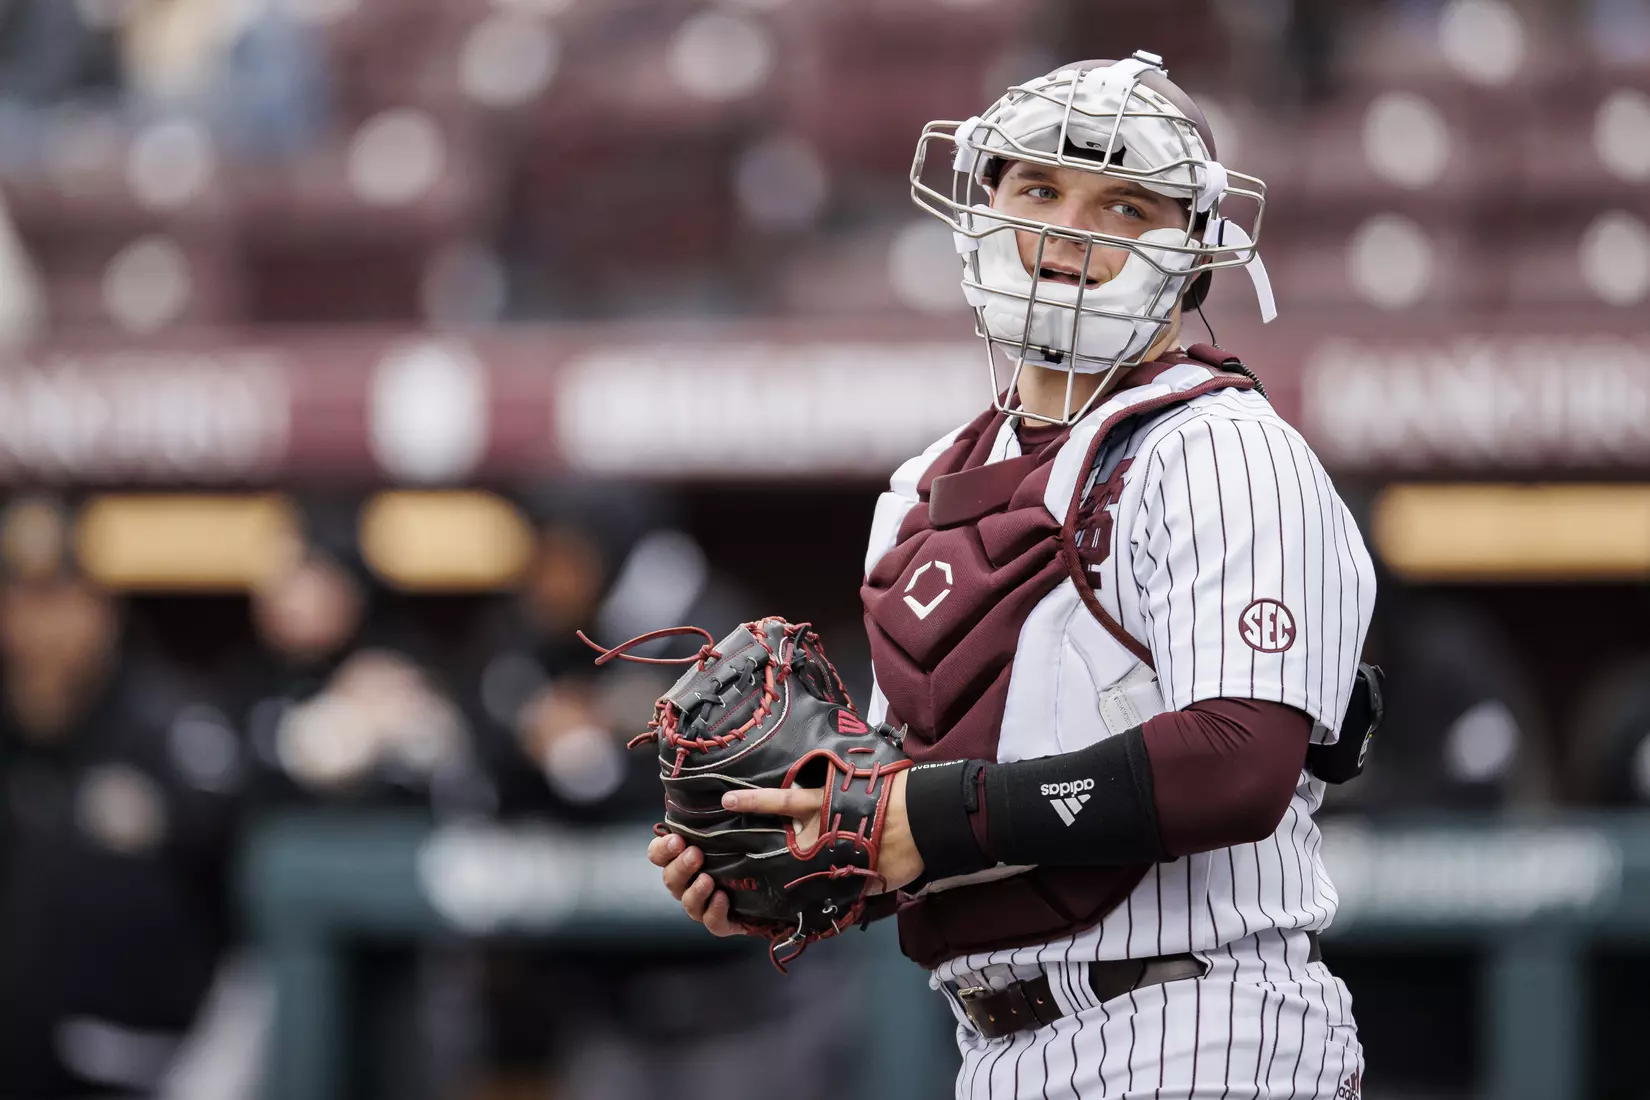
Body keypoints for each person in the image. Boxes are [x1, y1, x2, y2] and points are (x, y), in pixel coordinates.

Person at [650, 54, 1376, 1099]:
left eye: (1124, 204)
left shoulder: (1221, 444)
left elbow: (1236, 764)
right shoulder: (919, 489)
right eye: (1039, 189)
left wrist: (925, 819)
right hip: (996, 1050)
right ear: (981, 213)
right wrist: (795, 854)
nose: (1072, 232)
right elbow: (922, 814)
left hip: (1205, 1022)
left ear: (1193, 252)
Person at [0, 497, 241, 1097]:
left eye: (62, 600)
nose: (43, 627)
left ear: (102, 608)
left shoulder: (169, 727)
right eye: (24, 601)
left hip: (144, 1060)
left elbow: (233, 876)